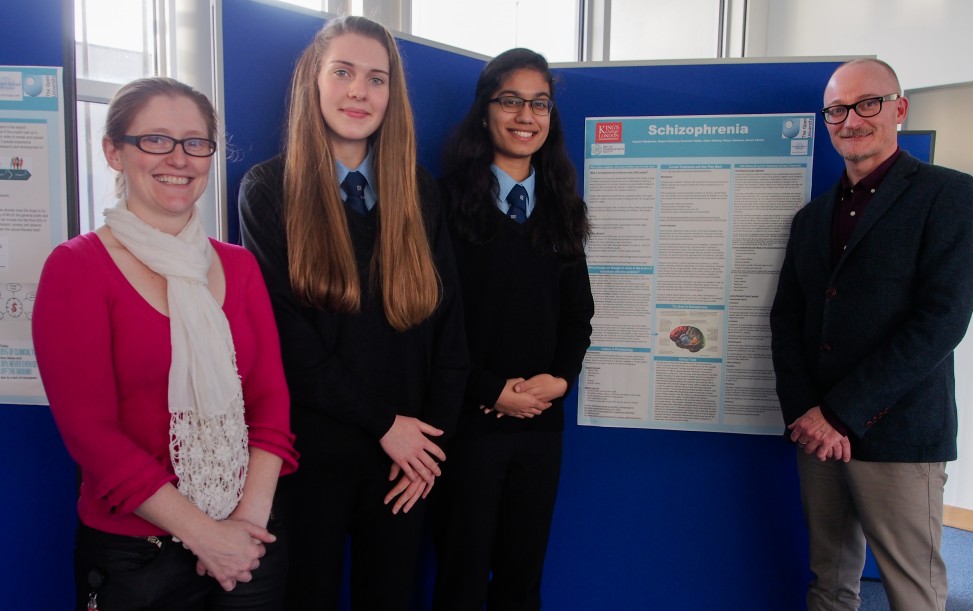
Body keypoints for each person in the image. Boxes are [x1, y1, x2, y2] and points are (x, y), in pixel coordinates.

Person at [32, 77, 298, 610]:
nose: (178, 158)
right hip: (137, 559)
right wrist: (204, 534)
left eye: (195, 142)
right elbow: (92, 434)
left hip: (250, 543)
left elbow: (269, 401)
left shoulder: (239, 267)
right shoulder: (78, 268)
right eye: (154, 139)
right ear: (113, 151)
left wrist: (244, 523)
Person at [237, 15, 468, 611]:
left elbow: (449, 327)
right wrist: (384, 425)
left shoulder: (418, 191)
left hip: (406, 466)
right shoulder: (269, 190)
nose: (359, 92)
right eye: (342, 72)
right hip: (313, 462)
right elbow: (288, 339)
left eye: (376, 78)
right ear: (313, 83)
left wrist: (427, 452)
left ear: (393, 95)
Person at [770, 58, 973, 610]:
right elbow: (787, 318)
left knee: (912, 590)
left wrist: (839, 414)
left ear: (899, 109)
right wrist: (805, 413)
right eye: (837, 110)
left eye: (868, 103)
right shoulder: (812, 218)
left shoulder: (949, 195)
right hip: (816, 436)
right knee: (829, 580)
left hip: (899, 434)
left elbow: (942, 321)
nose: (852, 120)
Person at [432, 48, 595, 611]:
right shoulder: (443, 205)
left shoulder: (561, 207)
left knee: (522, 581)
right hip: (467, 427)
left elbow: (578, 314)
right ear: (485, 111)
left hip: (540, 429)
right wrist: (489, 391)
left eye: (540, 104)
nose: (527, 115)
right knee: (462, 577)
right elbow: (431, 322)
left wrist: (561, 381)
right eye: (511, 100)